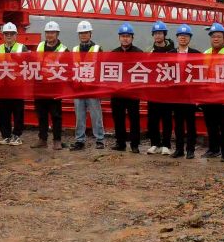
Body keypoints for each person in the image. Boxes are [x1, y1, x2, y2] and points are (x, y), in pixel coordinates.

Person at [31, 21, 69, 150]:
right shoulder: (40, 46)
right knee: (41, 114)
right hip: (40, 86)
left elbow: (68, 68)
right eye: (47, 32)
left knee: (56, 115)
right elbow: (33, 63)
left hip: (55, 87)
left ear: (57, 34)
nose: (49, 35)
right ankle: (42, 139)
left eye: (52, 32)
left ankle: (57, 140)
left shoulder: (64, 50)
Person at [200, 22, 224, 162]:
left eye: (219, 36)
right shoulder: (205, 54)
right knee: (210, 124)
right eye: (213, 36)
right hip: (208, 95)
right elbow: (201, 75)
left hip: (223, 96)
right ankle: (213, 149)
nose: (216, 39)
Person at [70, 20, 105, 150]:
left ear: (90, 34)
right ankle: (80, 140)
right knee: (79, 116)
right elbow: (71, 68)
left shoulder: (97, 49)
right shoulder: (74, 50)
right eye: (81, 33)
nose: (83, 35)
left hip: (92, 89)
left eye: (86, 33)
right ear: (78, 35)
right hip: (78, 88)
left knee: (96, 115)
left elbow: (102, 67)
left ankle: (100, 140)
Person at [170, 24, 202, 159]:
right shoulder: (170, 54)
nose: (183, 38)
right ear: (177, 38)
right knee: (177, 123)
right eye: (181, 36)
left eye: (186, 36)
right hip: (176, 94)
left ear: (190, 38)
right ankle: (179, 149)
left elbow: (200, 76)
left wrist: (198, 96)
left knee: (190, 123)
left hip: (190, 94)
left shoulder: (196, 54)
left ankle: (190, 150)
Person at [110, 23, 143, 152]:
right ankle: (120, 143)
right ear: (119, 38)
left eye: (128, 36)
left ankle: (135, 145)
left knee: (134, 118)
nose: (125, 38)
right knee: (118, 118)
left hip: (133, 92)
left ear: (132, 38)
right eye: (123, 36)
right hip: (117, 92)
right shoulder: (113, 53)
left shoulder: (139, 53)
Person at [0, 22, 28, 145]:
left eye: (11, 34)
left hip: (17, 86)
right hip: (3, 86)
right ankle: (6, 136)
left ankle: (17, 135)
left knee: (18, 112)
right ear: (3, 35)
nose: (9, 36)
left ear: (16, 35)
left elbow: (28, 64)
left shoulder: (22, 48)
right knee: (3, 112)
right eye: (6, 34)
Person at [146, 21, 174, 156]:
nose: (158, 36)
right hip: (153, 91)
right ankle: (155, 144)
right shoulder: (149, 52)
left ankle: (166, 145)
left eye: (160, 33)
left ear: (164, 35)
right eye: (155, 33)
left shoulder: (172, 51)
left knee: (167, 118)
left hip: (168, 91)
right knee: (153, 119)